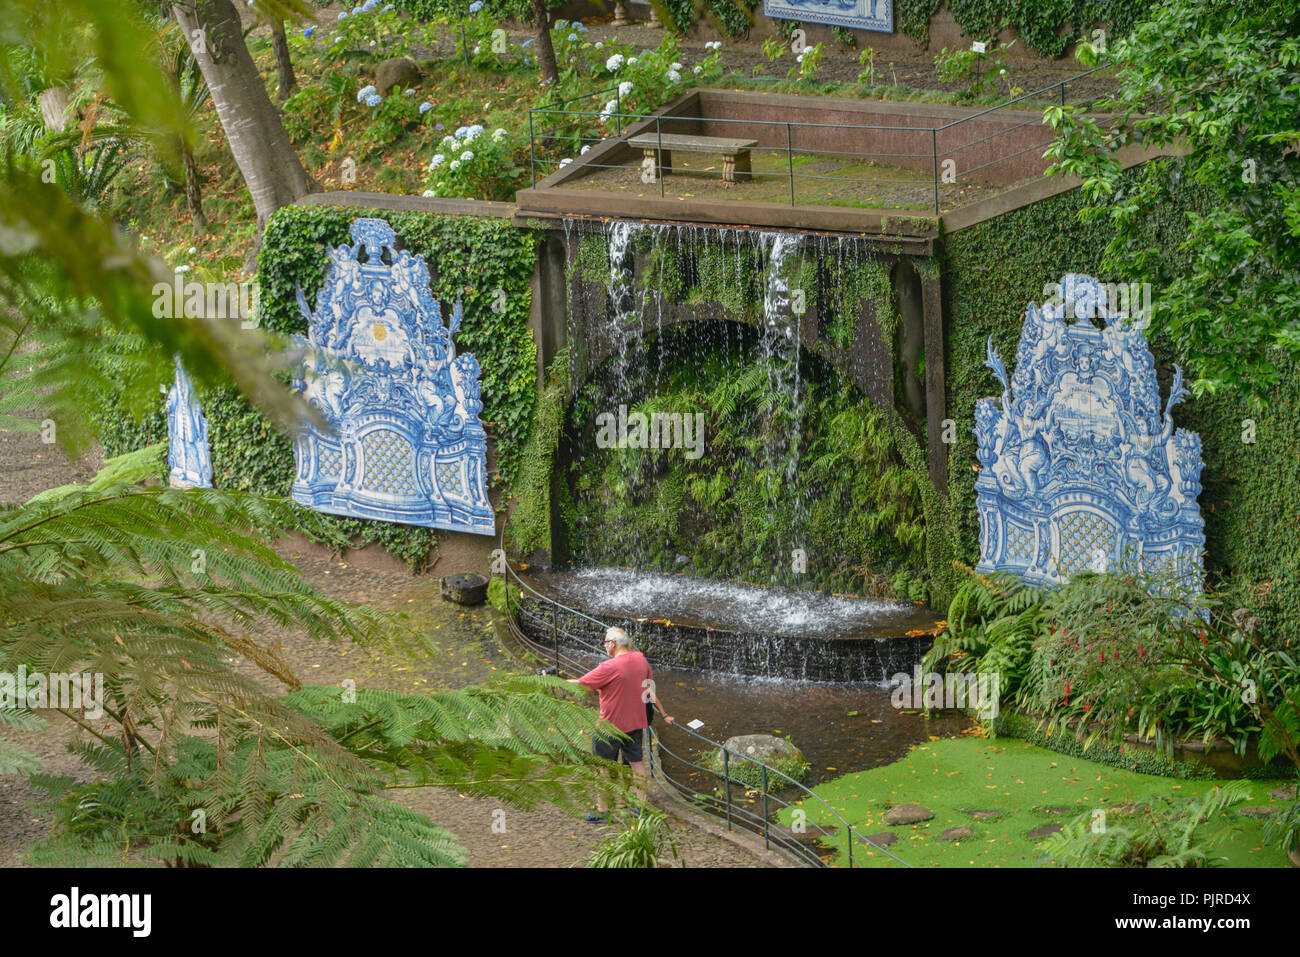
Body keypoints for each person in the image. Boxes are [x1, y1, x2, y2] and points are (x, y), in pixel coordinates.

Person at [568, 626, 674, 823]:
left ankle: (603, 811)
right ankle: (640, 807)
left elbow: (582, 684)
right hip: (635, 723)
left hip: (608, 726)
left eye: (606, 642)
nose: (605, 646)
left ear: (614, 644)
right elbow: (649, 689)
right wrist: (664, 713)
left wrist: (552, 680)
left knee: (602, 767)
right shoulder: (641, 660)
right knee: (637, 765)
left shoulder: (609, 667)